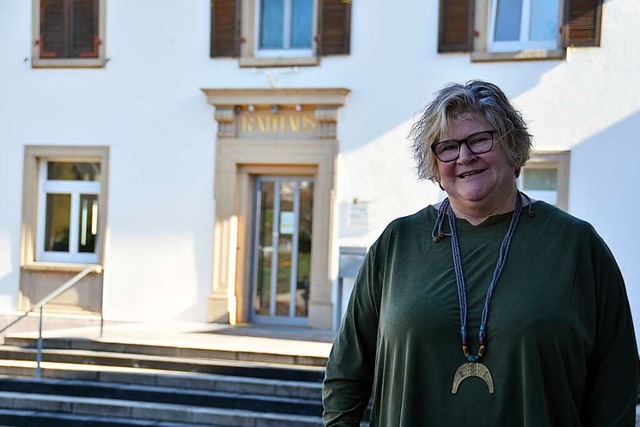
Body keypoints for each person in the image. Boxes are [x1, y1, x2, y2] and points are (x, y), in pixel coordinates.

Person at [322, 80, 639, 426]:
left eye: (480, 139)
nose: (464, 156)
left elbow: (617, 380)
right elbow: (345, 374)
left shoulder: (576, 245)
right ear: (435, 166)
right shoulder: (397, 243)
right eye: (447, 147)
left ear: (513, 148)